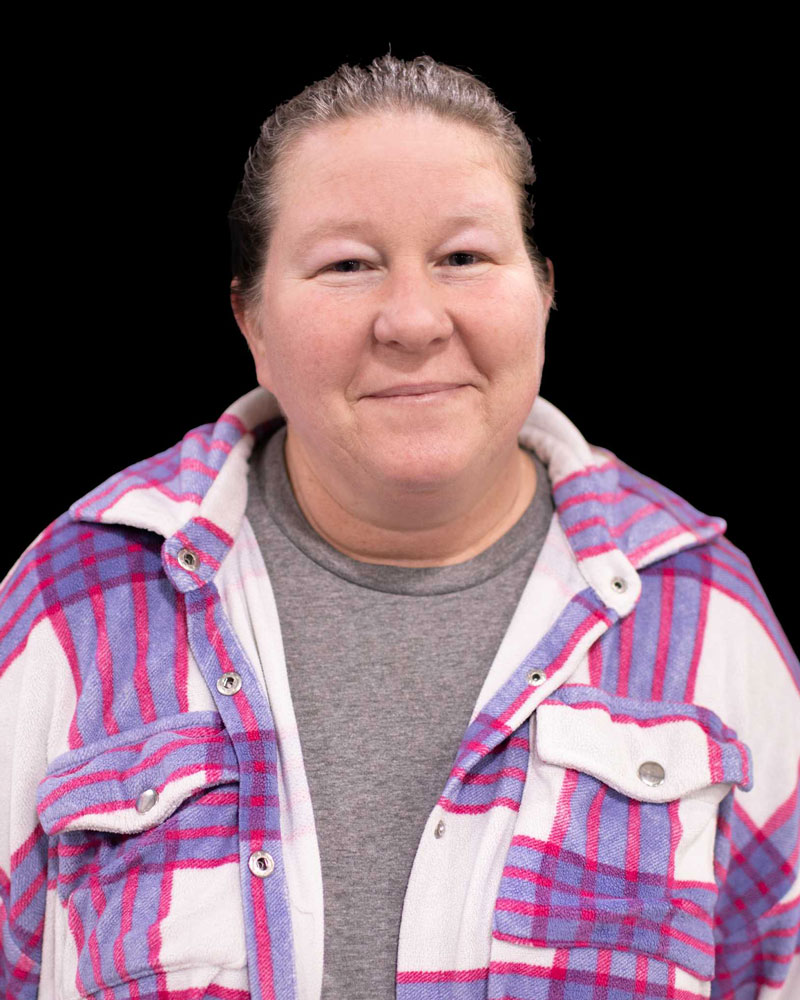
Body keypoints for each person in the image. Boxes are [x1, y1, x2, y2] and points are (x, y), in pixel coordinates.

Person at [1, 53, 797, 1000]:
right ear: (251, 321)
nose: (413, 321)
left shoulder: (707, 616)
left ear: (544, 289)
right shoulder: (71, 603)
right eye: (348, 265)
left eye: (464, 258)